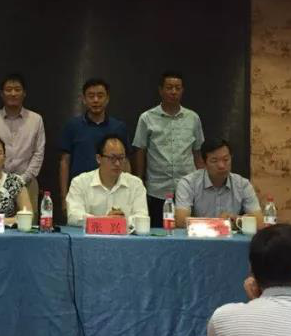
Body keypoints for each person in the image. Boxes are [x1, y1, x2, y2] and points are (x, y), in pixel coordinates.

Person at [132, 71, 205, 227]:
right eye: (169, 87)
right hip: (157, 189)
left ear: (182, 90)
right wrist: (139, 179)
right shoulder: (146, 118)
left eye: (177, 88)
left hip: (188, 187)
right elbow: (140, 150)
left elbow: (197, 152)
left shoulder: (193, 118)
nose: (173, 92)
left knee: (187, 231)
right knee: (158, 232)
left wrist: (204, 181)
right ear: (161, 90)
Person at [58, 78, 128, 212]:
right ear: (84, 99)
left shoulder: (118, 127)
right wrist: (64, 198)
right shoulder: (72, 126)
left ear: (107, 99)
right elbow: (64, 162)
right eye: (91, 96)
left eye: (100, 96)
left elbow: (125, 162)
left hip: (113, 194)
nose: (96, 100)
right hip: (80, 193)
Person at [0, 73, 45, 213]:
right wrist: (2, 178)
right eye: (8, 90)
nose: (13, 93)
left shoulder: (36, 120)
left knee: (28, 223)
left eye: (17, 89)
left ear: (24, 93)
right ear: (1, 94)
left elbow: (38, 153)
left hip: (27, 182)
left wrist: (23, 179)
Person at [174, 137, 261, 227]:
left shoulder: (243, 185)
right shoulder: (188, 183)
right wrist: (219, 222)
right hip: (199, 235)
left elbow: (259, 223)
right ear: (204, 163)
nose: (221, 166)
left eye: (226, 159)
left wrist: (235, 220)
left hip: (230, 236)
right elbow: (181, 221)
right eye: (214, 161)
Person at [65, 134, 148, 226]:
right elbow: (74, 216)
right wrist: (105, 221)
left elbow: (142, 218)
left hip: (125, 235)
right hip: (91, 235)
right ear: (98, 158)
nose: (117, 163)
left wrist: (120, 221)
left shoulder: (135, 184)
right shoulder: (80, 182)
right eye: (112, 158)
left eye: (121, 158)